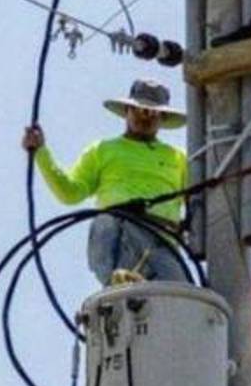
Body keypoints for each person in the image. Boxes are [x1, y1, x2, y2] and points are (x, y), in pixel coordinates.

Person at [21, 79, 190, 285]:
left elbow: (198, 204)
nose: (145, 117)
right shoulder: (103, 150)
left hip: (162, 240)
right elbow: (70, 193)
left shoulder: (178, 158)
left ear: (162, 117)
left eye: (152, 112)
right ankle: (116, 285)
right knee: (122, 288)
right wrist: (41, 152)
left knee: (178, 298)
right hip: (118, 232)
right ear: (127, 111)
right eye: (139, 110)